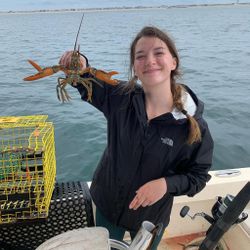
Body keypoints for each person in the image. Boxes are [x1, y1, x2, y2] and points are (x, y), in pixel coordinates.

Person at [59, 26, 214, 249]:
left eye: (158, 53)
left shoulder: (192, 125)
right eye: (140, 56)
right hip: (108, 204)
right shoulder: (121, 98)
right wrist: (80, 64)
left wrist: (165, 184)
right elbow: (88, 80)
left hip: (151, 218)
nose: (149, 60)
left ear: (174, 62)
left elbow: (198, 176)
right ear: (135, 68)